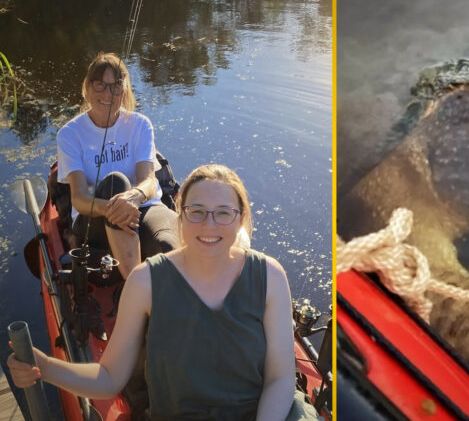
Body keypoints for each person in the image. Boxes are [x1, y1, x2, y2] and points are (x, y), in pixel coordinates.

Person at [7, 164, 313, 421]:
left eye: (223, 213)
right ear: (180, 214)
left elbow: (281, 378)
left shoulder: (270, 276)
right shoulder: (146, 281)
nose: (209, 225)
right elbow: (110, 377)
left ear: (241, 218)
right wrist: (46, 369)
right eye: (197, 212)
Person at [57, 51, 178, 278]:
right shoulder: (70, 134)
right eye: (100, 85)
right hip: (94, 220)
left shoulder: (140, 124)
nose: (108, 94)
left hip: (144, 209)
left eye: (116, 86)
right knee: (115, 183)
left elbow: (149, 182)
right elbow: (80, 199)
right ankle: (135, 285)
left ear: (125, 91)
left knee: (168, 246)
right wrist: (117, 206)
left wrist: (133, 197)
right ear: (87, 86)